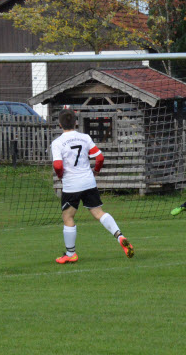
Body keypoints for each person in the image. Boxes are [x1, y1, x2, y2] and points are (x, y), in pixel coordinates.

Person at [50, 108, 133, 264]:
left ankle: (71, 253)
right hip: (88, 182)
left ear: (60, 124)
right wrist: (96, 171)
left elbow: (58, 165)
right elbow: (100, 157)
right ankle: (120, 236)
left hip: (71, 185)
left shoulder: (57, 143)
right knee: (98, 213)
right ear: (75, 122)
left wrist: (61, 177)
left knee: (68, 217)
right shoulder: (85, 137)